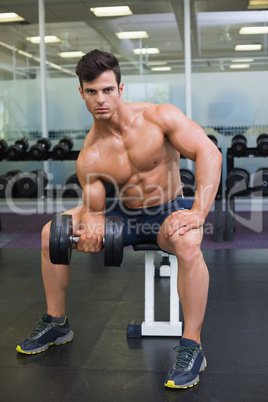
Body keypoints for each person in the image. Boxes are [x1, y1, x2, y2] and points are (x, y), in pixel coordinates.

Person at [16, 49, 222, 389]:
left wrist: (197, 211)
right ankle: (57, 322)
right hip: (124, 212)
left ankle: (192, 346)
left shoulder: (160, 117)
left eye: (107, 90)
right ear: (81, 92)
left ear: (121, 88)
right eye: (92, 91)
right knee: (51, 231)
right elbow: (95, 211)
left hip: (168, 207)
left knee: (188, 244)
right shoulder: (91, 153)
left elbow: (208, 152)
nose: (101, 99)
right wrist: (93, 229)